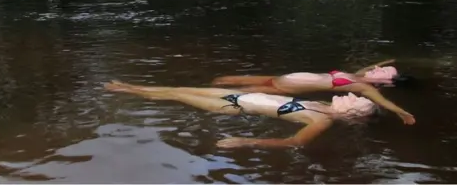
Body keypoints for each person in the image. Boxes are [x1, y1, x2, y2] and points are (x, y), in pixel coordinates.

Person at [104, 80, 392, 149]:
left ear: (353, 115)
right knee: (177, 88)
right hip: (239, 95)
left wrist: (245, 142)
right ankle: (126, 87)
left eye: (354, 100)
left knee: (177, 95)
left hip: (233, 106)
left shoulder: (322, 119)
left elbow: (294, 143)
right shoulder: (321, 106)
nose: (349, 95)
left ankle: (124, 90)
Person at [210, 59, 416, 125]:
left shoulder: (363, 87)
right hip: (282, 78)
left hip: (287, 86)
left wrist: (401, 112)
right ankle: (202, 87)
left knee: (235, 91)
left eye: (384, 72)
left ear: (387, 81)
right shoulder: (359, 75)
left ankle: (202, 96)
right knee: (225, 80)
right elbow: (372, 66)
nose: (377, 70)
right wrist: (387, 61)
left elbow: (383, 102)